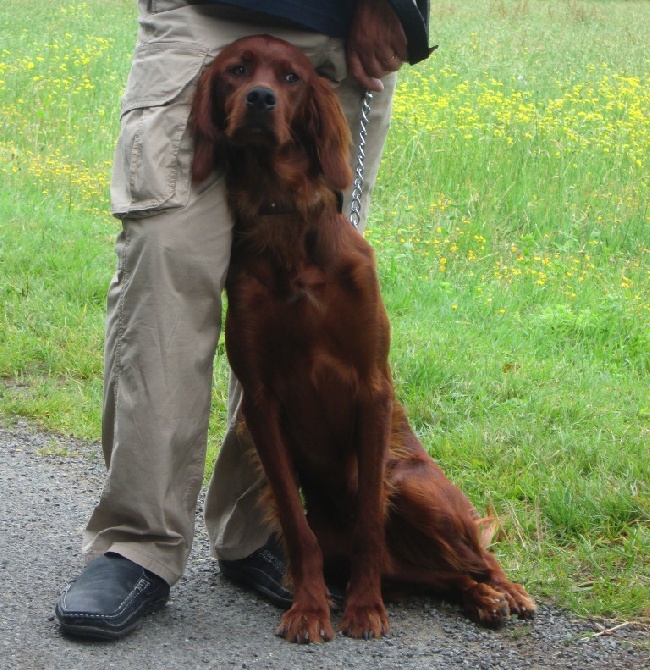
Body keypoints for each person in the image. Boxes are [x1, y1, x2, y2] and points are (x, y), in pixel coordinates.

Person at [55, 0, 409, 640]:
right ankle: (137, 542)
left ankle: (256, 530)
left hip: (341, 30)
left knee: (304, 289)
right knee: (165, 258)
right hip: (202, 17)